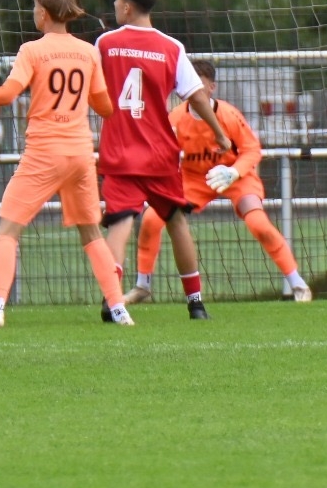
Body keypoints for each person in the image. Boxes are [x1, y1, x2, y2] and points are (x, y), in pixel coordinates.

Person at [0, 0, 130, 328]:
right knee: (92, 234)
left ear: (44, 14)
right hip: (80, 153)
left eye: (35, 7)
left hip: (45, 152)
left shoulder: (32, 50)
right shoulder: (88, 52)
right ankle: (120, 310)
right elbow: (106, 108)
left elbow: (7, 95)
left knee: (7, 230)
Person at [95, 0, 231, 321]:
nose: (114, 6)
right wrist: (219, 133)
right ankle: (196, 303)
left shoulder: (105, 44)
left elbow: (93, 90)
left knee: (120, 224)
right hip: (160, 155)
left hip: (120, 153)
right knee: (175, 221)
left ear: (126, 6)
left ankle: (112, 300)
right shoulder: (172, 48)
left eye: (116, 0)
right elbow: (196, 97)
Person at [131, 59, 312, 305]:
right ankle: (142, 285)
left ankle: (298, 284)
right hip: (194, 179)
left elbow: (251, 150)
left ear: (212, 87)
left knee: (258, 223)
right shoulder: (176, 118)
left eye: (199, 84)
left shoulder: (228, 115)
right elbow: (162, 154)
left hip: (235, 177)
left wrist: (234, 172)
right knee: (151, 218)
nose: (193, 90)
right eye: (188, 84)